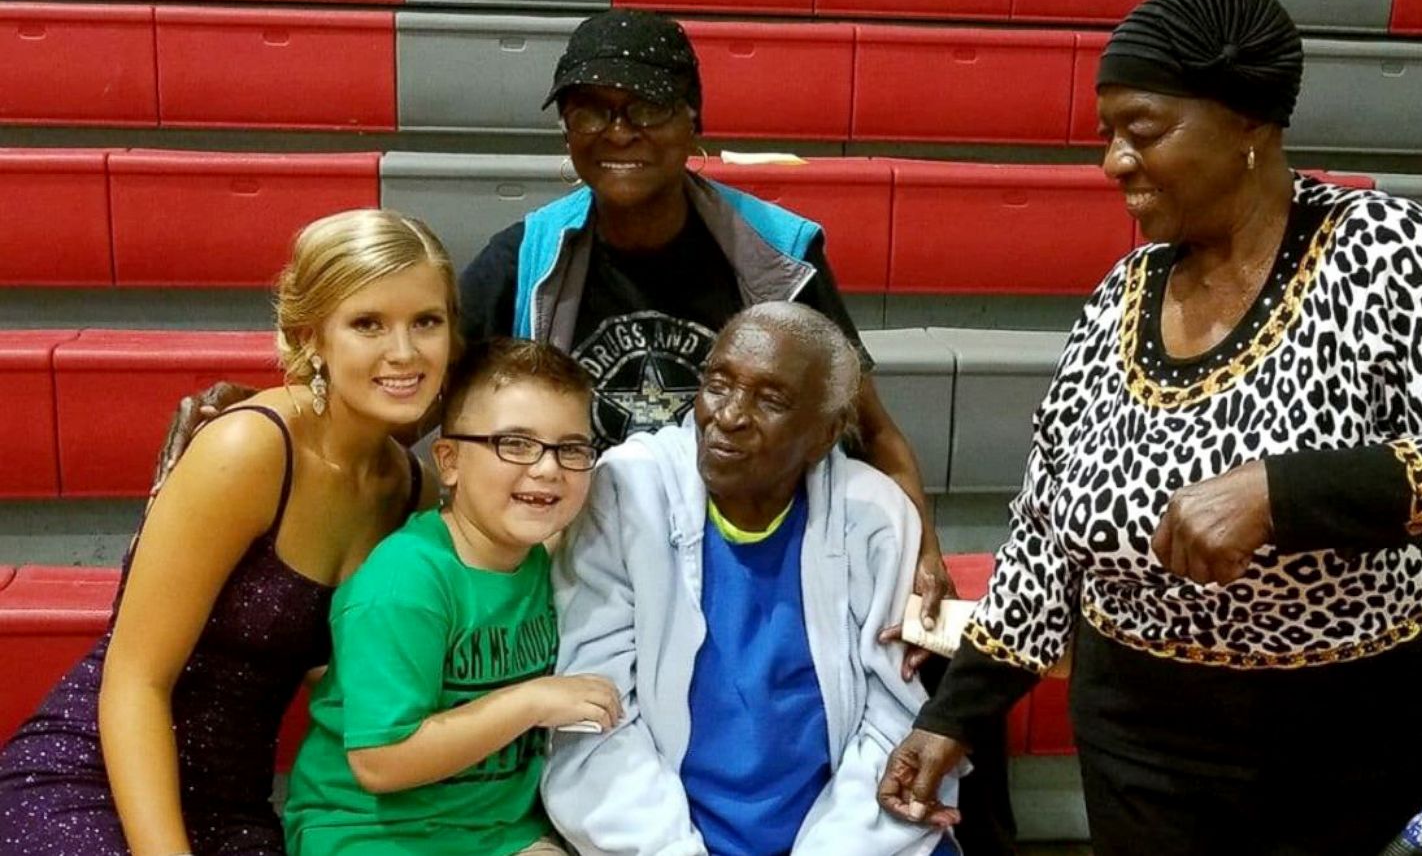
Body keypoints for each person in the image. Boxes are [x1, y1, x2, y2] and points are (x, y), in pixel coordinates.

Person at [877, 0, 1422, 856]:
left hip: (1358, 743)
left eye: (1145, 131)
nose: (1113, 163)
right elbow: (1045, 536)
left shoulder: (1383, 250)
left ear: (1249, 126)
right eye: (1108, 136)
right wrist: (956, 715)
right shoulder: (1121, 296)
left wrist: (1285, 490)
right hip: (1140, 742)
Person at [458, 7, 956, 628]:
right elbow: (438, 419)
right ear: (566, 129)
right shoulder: (526, 256)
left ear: (694, 121)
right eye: (592, 109)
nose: (619, 132)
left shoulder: (776, 250)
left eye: (647, 107)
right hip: (581, 549)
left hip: (747, 547)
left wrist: (923, 550)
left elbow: (871, 429)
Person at [0, 209, 458, 855]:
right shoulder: (250, 447)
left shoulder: (413, 491)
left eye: (426, 322)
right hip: (93, 776)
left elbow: (357, 678)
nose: (405, 352)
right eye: (367, 324)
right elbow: (134, 682)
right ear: (312, 336)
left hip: (231, 806)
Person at [542, 302, 959, 856]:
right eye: (718, 385)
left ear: (823, 434)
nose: (730, 416)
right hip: (657, 839)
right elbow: (592, 717)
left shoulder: (874, 515)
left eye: (771, 401)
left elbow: (892, 728)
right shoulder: (629, 489)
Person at [283, 339, 618, 855]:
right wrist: (530, 701)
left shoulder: (541, 559)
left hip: (498, 834)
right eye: (515, 443)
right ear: (450, 461)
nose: (549, 468)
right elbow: (380, 761)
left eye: (570, 448)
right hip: (372, 833)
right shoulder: (406, 584)